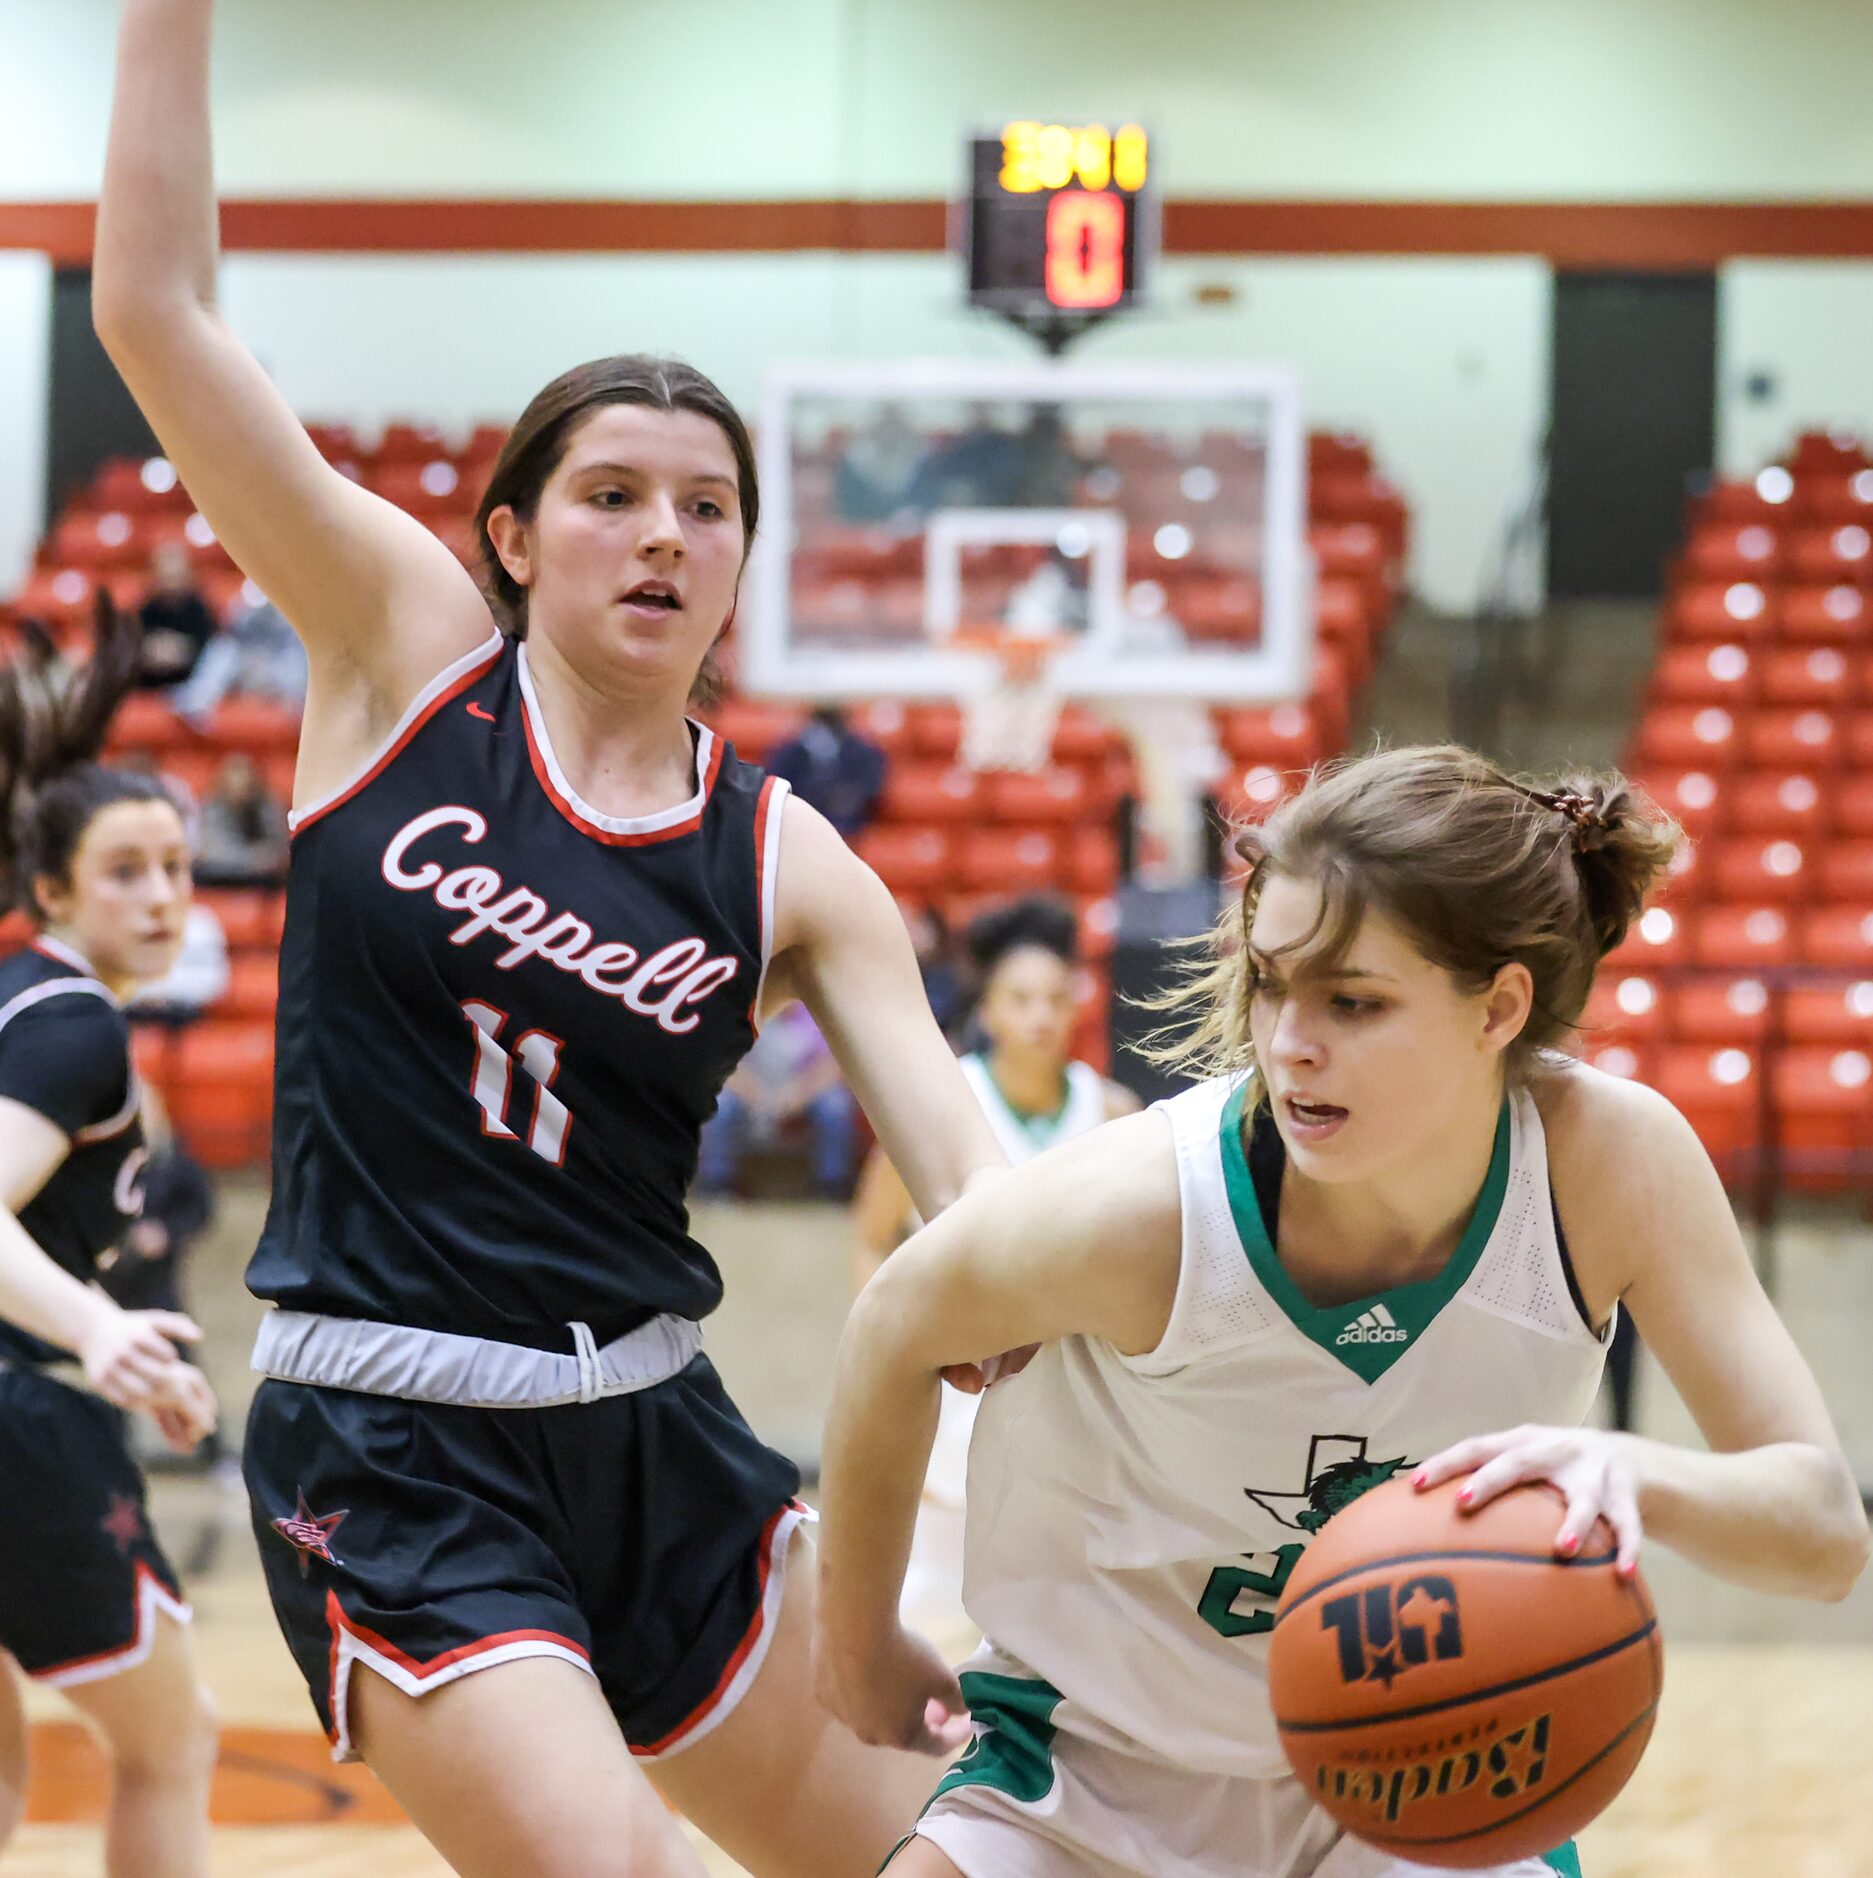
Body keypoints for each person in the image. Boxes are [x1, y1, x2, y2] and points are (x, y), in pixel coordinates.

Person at [95, 7, 1008, 1875]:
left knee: (949, 1854)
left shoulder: (789, 858)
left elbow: (978, 1186)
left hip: (660, 1434)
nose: (660, 535)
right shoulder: (403, 653)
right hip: (394, 1430)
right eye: (610, 496)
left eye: (705, 507)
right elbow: (156, 316)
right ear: (512, 535)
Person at [814, 746, 1870, 1878]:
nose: (1288, 1042)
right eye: (1270, 983)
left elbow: (1821, 1533)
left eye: (1351, 1001)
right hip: (1091, 1768)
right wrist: (859, 1644)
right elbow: (892, 1326)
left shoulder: (1612, 1165)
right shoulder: (1138, 1205)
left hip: (1435, 1776)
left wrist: (1627, 1472)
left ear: (1499, 1007)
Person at [0, 595, 221, 1873]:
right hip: (11, 1419)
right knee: (174, 1739)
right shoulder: (75, 1022)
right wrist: (97, 1328)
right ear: (51, 890)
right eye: (124, 872)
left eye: (177, 868)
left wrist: (111, 1343)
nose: (160, 896)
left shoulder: (24, 999)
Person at [852, 897, 1138, 1623]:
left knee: (1061, 1599)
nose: (1039, 1015)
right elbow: (870, 1234)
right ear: (989, 1008)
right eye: (1019, 999)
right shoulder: (941, 1105)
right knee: (931, 1595)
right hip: (958, 1364)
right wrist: (891, 1349)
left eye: (1053, 997)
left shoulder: (1112, 1111)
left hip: (1072, 1368)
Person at [696, 1003, 856, 1197]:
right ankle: (717, 1186)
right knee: (720, 1105)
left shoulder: (817, 1011)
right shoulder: (742, 1011)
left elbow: (832, 1064)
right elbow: (723, 1060)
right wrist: (755, 1094)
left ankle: (831, 1186)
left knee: (836, 1106)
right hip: (752, 1091)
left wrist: (799, 1095)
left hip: (803, 1092)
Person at [170, 589, 309, 727]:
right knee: (224, 649)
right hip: (245, 671)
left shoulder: (290, 608)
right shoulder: (246, 601)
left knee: (295, 654)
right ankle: (196, 701)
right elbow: (232, 632)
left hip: (276, 672)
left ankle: (298, 706)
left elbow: (292, 648)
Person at [767, 705, 887, 841]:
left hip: (849, 827)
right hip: (800, 824)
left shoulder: (863, 751)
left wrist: (849, 798)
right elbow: (777, 787)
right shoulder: (789, 752)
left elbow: (873, 787)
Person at [193, 752, 289, 886]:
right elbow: (210, 851)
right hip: (220, 878)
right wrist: (252, 858)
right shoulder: (212, 805)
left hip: (260, 881)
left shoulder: (268, 807)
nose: (239, 792)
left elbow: (278, 853)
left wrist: (262, 859)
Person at [134, 542, 217, 691]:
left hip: (189, 686)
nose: (171, 584)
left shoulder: (201, 611)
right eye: (166, 577)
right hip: (150, 685)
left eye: (176, 576)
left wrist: (182, 651)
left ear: (188, 575)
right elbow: (135, 647)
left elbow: (212, 653)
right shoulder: (147, 610)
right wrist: (151, 651)